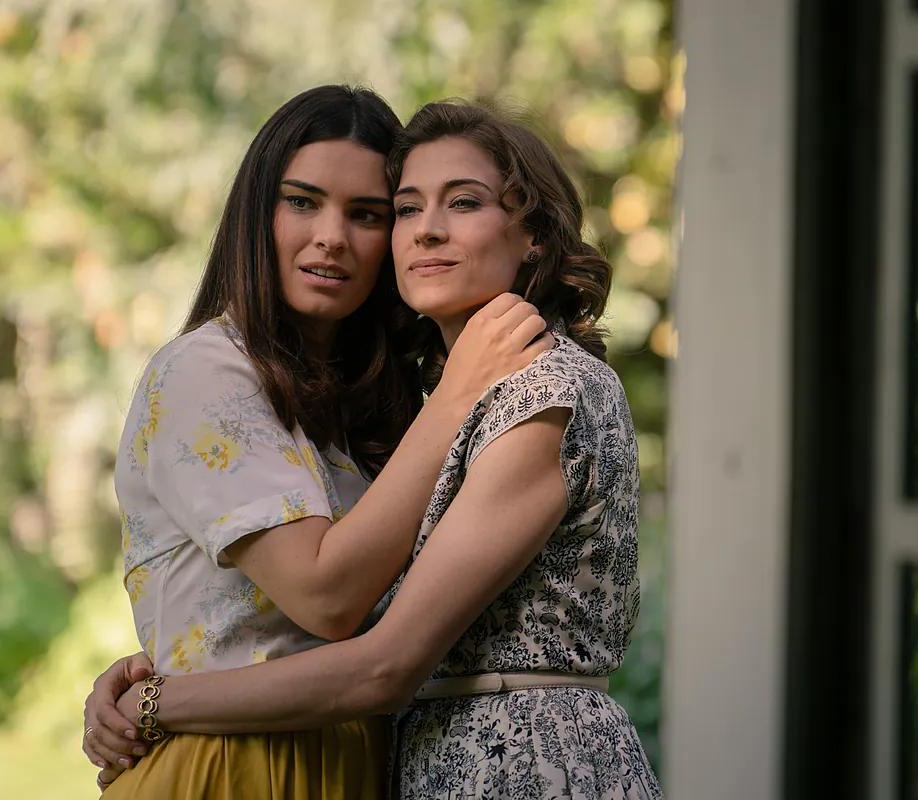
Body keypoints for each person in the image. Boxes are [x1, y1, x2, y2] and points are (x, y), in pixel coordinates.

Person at [87, 100, 662, 798]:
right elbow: (316, 609)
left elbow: (376, 647)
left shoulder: (524, 391)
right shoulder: (219, 373)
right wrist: (155, 679)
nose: (334, 238)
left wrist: (158, 699)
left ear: (534, 235)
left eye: (367, 213)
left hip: (501, 764)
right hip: (247, 762)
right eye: (408, 209)